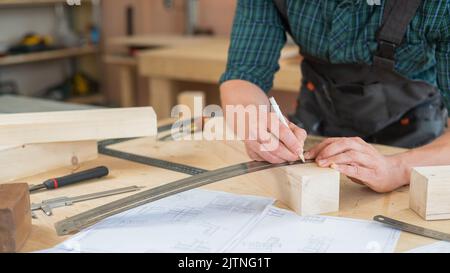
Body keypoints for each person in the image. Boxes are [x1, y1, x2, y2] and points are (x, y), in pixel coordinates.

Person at [219, 0, 450, 193]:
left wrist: (397, 169)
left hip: (415, 149)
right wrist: (256, 126)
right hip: (313, 133)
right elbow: (243, 76)